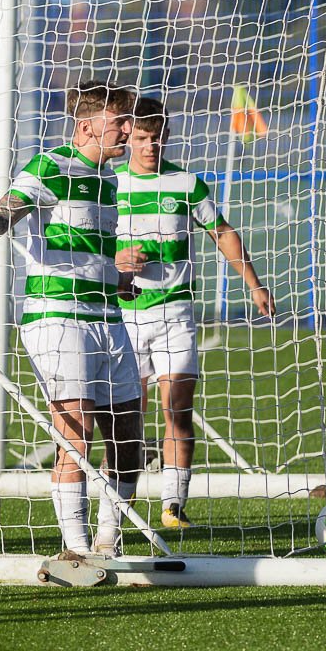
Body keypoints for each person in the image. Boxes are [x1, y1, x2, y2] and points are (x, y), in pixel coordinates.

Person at [0, 82, 144, 558]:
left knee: (129, 433)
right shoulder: (49, 167)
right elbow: (1, 216)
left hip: (109, 317)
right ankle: (74, 548)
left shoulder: (111, 181)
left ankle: (108, 540)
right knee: (75, 430)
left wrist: (117, 278)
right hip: (57, 318)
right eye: (121, 121)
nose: (129, 130)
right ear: (86, 126)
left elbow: (91, 253)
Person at [114, 96, 275, 528]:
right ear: (128, 136)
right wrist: (118, 260)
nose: (151, 146)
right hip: (124, 318)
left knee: (177, 410)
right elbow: (89, 242)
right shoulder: (111, 184)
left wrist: (254, 285)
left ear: (167, 136)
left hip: (175, 315)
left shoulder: (186, 184)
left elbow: (221, 232)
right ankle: (118, 504)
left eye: (158, 138)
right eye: (143, 138)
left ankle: (173, 505)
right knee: (129, 416)